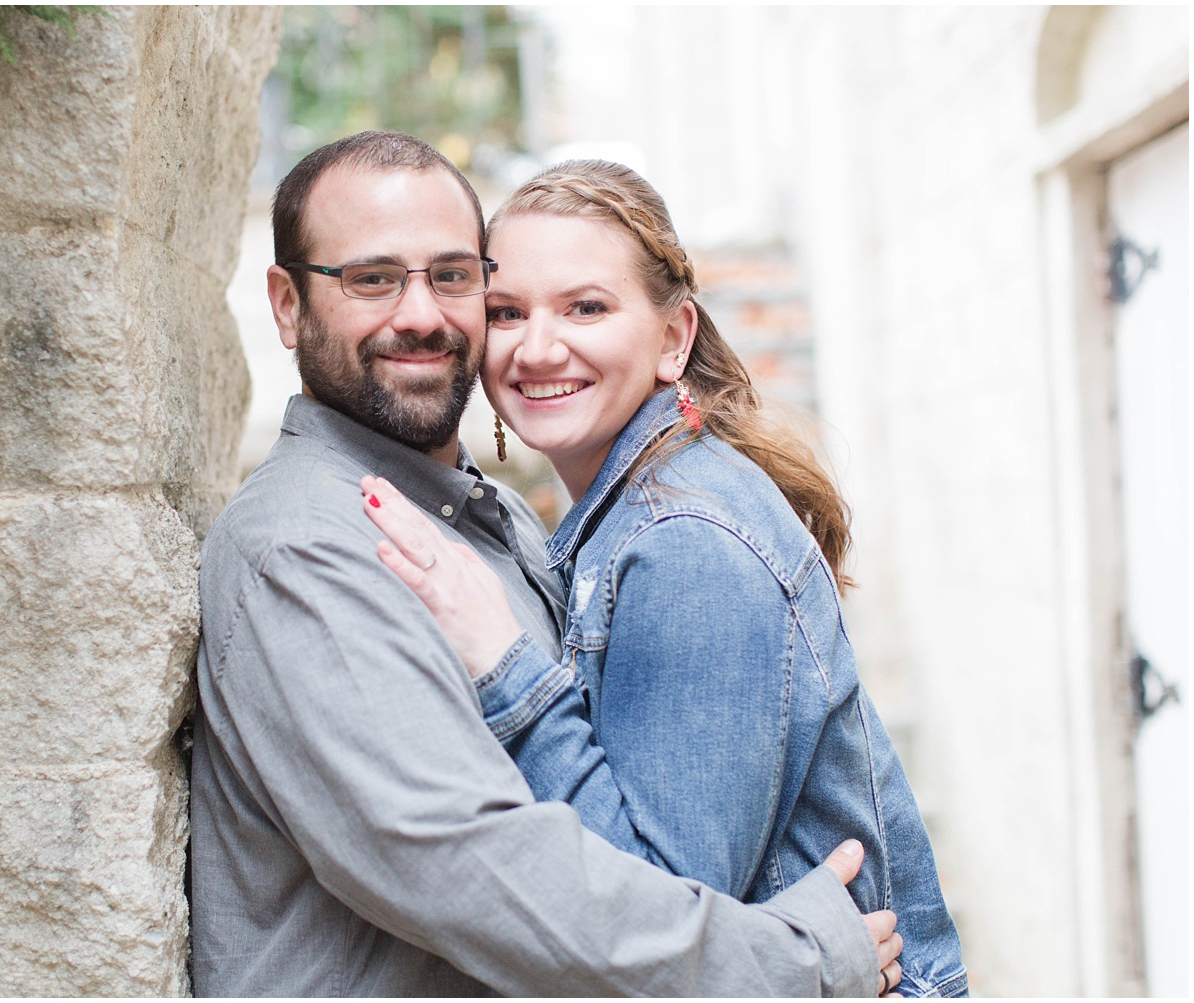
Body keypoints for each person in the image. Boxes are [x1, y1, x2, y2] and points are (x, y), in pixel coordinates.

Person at [189, 131, 903, 996]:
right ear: (288, 303)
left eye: (453, 276)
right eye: (372, 278)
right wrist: (805, 962)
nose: (420, 314)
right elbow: (479, 871)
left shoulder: (512, 521)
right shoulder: (305, 547)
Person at [362, 160, 968, 997]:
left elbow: (658, 922)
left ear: (674, 337)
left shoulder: (682, 539)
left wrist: (503, 659)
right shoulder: (634, 510)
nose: (538, 347)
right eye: (507, 312)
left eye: (586, 307)